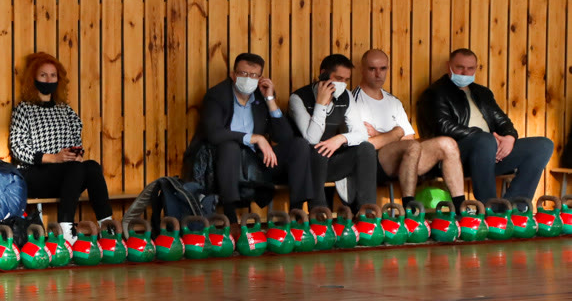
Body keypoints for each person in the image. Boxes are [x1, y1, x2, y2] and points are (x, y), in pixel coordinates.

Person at [417, 48, 556, 202]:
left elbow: (503, 121)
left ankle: (515, 206)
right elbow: (443, 128)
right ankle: (490, 207)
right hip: (457, 157)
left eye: (470, 68)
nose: (465, 72)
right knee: (485, 140)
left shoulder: (482, 93)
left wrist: (509, 138)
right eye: (460, 67)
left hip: (490, 152)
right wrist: (486, 138)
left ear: (476, 69)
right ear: (448, 66)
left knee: (543, 145)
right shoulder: (435, 93)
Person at [8, 52, 111, 241]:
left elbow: (75, 142)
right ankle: (66, 227)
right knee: (76, 168)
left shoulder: (65, 110)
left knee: (92, 166)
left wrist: (76, 154)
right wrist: (53, 158)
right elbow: (17, 147)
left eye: (53, 75)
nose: (49, 79)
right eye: (43, 75)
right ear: (33, 78)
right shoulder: (23, 109)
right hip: (34, 175)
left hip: (68, 175)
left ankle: (107, 225)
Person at [194, 53, 314, 213]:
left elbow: (284, 137)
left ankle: (296, 213)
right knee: (230, 146)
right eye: (243, 73)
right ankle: (231, 217)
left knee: (299, 145)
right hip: (225, 161)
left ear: (260, 78)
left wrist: (270, 99)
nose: (248, 78)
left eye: (253, 75)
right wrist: (254, 138)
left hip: (256, 162)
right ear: (233, 74)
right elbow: (214, 134)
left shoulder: (260, 97)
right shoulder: (217, 95)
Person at [354, 49, 463, 201]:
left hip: (407, 159)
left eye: (383, 68)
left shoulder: (393, 101)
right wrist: (397, 133)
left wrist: (381, 134)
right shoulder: (354, 102)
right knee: (411, 146)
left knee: (448, 143)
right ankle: (410, 208)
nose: (378, 74)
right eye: (372, 69)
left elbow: (409, 137)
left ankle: (461, 208)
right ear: (362, 69)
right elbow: (365, 145)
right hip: (375, 163)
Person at [287, 53, 379, 211]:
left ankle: (367, 212)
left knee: (366, 148)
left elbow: (361, 134)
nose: (342, 84)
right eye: (338, 78)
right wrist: (321, 104)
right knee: (319, 150)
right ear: (323, 74)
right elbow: (311, 139)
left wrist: (340, 138)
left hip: (333, 162)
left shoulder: (346, 96)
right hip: (307, 166)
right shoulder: (298, 98)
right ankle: (319, 214)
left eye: (346, 80)